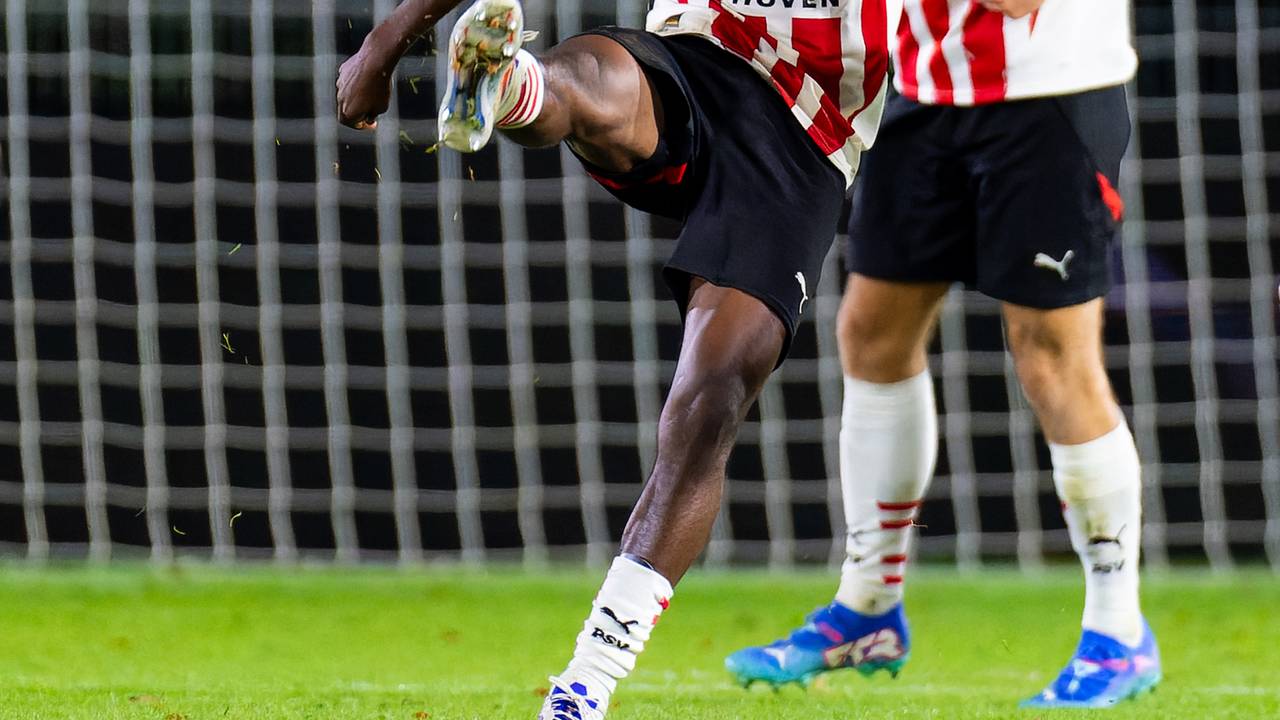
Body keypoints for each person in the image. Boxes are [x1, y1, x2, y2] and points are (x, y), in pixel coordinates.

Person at [337, 0, 900, 716]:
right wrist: (385, 41)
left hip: (802, 140)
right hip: (692, 60)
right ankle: (508, 82)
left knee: (711, 395)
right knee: (594, 82)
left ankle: (584, 684)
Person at [725, 0, 1162, 709]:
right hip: (928, 94)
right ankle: (867, 609)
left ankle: (1118, 632)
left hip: (1048, 96)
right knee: (871, 333)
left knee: (1051, 355)